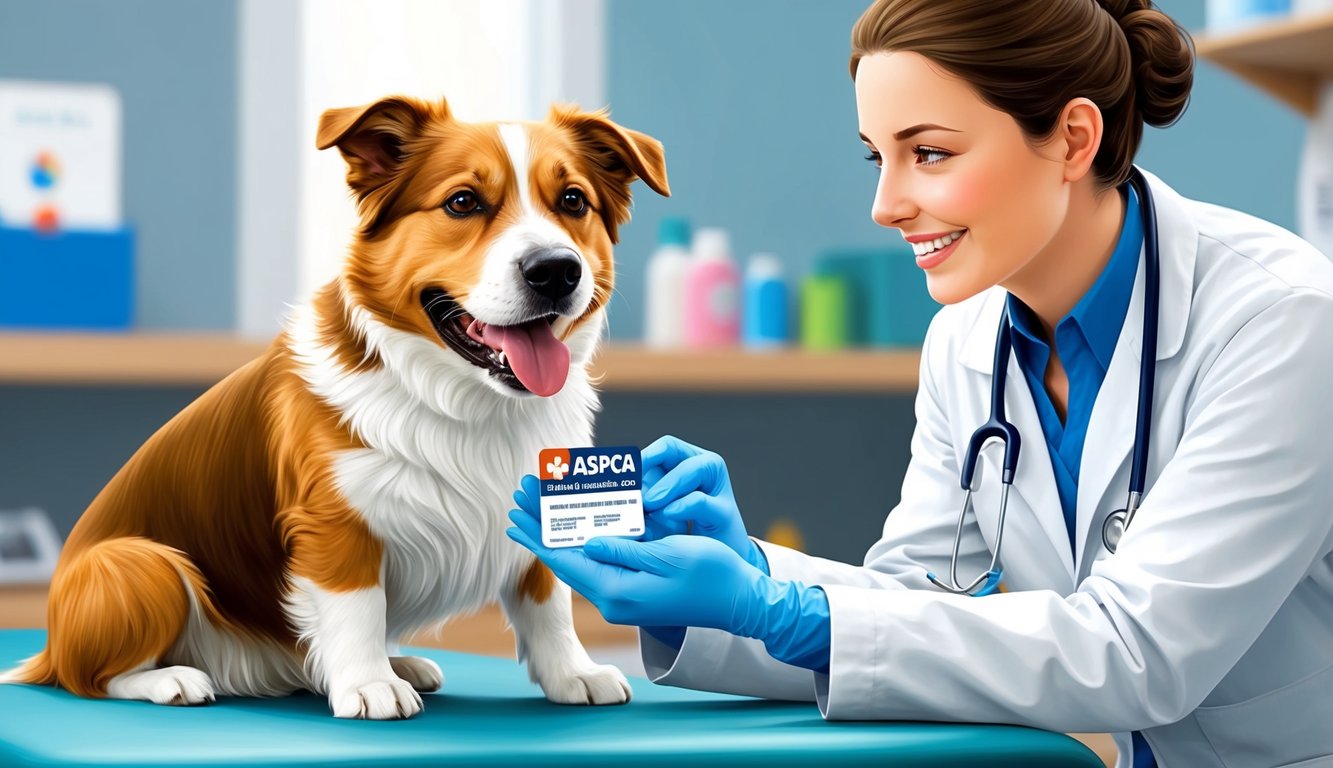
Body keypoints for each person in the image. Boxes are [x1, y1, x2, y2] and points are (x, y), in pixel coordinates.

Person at [506, 1, 1333, 766]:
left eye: (928, 153)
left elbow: (1138, 653)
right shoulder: (966, 339)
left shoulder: (1283, 324)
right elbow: (918, 608)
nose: (884, 203)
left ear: (1075, 140)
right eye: (878, 156)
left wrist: (776, 608)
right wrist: (739, 578)